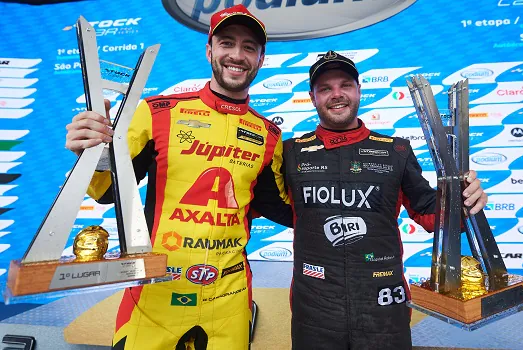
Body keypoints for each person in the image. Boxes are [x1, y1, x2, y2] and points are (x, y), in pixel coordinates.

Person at [65, 5, 291, 350]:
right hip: (156, 294)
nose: (237, 55)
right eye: (227, 43)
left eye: (249, 47)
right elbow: (109, 191)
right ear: (209, 50)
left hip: (229, 299)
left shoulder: (269, 135)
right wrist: (92, 153)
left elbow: (281, 206)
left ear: (261, 59)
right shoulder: (157, 112)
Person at [281, 50, 488, 350]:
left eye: (345, 85)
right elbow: (263, 204)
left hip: (384, 306)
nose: (336, 95)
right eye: (325, 88)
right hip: (313, 308)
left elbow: (430, 214)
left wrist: (464, 202)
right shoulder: (290, 153)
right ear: (312, 97)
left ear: (359, 90)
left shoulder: (396, 151)